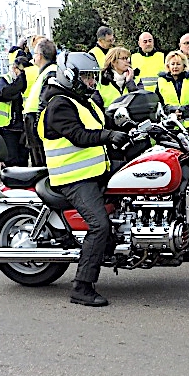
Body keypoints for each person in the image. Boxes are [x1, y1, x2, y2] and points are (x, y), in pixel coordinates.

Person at [38, 53, 129, 306]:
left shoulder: (82, 101)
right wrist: (108, 135)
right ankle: (82, 286)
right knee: (99, 225)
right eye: (87, 77)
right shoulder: (59, 105)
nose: (91, 82)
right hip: (73, 177)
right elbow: (79, 135)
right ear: (70, 77)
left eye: (93, 76)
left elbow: (103, 123)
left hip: (94, 171)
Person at [23, 38, 59, 168]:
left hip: (37, 121)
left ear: (40, 55)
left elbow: (46, 99)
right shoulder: (46, 71)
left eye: (35, 53)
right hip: (34, 119)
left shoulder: (51, 72)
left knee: (40, 163)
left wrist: (38, 123)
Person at [0, 55, 29, 167]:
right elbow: (3, 94)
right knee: (10, 159)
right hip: (8, 126)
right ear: (14, 68)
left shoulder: (30, 80)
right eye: (21, 72)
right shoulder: (5, 79)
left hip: (23, 126)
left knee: (23, 159)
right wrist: (19, 85)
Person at [155, 50, 189, 127]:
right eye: (172, 64)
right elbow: (159, 103)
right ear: (168, 66)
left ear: (184, 66)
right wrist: (171, 111)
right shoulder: (161, 81)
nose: (175, 67)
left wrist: (184, 112)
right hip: (169, 125)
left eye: (178, 64)